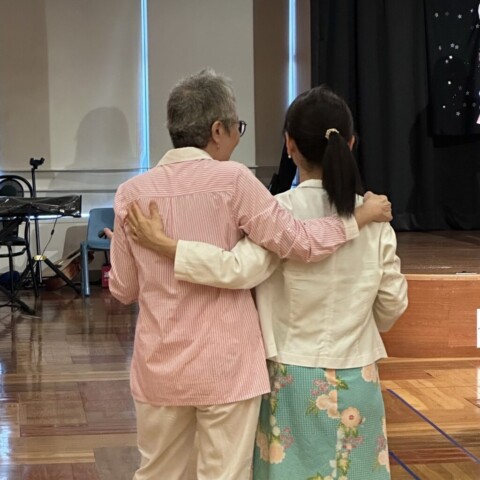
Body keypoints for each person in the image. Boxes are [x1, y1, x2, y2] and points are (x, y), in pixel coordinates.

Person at [108, 69, 392, 480]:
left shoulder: (131, 194)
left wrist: (143, 250)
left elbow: (124, 289)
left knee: (158, 472)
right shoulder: (235, 181)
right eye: (236, 128)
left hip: (159, 365)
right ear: (217, 130)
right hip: (228, 367)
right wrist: (358, 218)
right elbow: (300, 243)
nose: (237, 138)